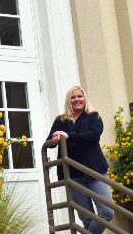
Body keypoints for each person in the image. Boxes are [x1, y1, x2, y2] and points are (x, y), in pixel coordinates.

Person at [47, 86, 114, 234]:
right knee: (86, 219)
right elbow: (49, 143)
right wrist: (56, 137)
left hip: (96, 171)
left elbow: (93, 135)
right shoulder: (61, 120)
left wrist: (69, 136)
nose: (76, 100)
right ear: (68, 100)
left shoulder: (94, 116)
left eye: (79, 96)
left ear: (85, 99)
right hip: (74, 175)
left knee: (107, 212)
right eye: (73, 97)